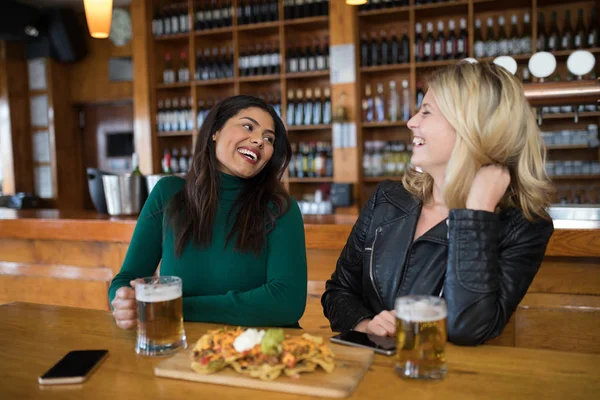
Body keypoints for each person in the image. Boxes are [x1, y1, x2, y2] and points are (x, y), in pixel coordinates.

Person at [321, 62, 554, 345]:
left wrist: (476, 213)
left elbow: (467, 328)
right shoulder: (387, 199)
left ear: (472, 124)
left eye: (426, 111)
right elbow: (339, 291)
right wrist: (369, 324)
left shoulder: (523, 226)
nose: (411, 122)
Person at [110, 95, 307, 329]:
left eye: (269, 138)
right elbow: (127, 278)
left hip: (261, 354)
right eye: (248, 126)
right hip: (183, 349)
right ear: (215, 131)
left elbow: (287, 303)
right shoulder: (168, 193)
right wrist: (123, 301)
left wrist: (173, 308)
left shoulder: (280, 208)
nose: (259, 141)